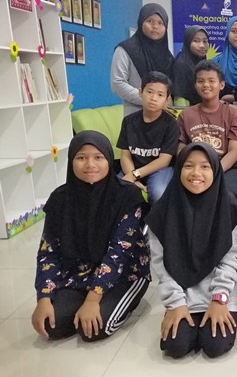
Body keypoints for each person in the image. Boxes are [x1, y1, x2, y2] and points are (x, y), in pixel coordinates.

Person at [31, 131, 150, 342]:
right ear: (71, 161)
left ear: (108, 159)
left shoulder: (127, 195)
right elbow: (48, 252)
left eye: (98, 157)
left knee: (95, 329)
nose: (90, 164)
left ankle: (121, 302)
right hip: (78, 272)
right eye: (81, 157)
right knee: (51, 326)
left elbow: (119, 253)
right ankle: (81, 303)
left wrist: (93, 299)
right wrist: (44, 296)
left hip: (125, 274)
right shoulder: (60, 199)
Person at [147, 143, 237, 358]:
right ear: (179, 169)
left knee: (215, 345)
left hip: (220, 292)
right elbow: (160, 262)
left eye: (204, 166)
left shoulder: (229, 207)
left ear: (216, 170)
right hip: (182, 294)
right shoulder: (163, 211)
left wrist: (219, 299)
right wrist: (175, 303)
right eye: (188, 166)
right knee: (176, 346)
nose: (196, 173)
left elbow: (232, 258)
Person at [178, 60, 237, 202]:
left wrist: (212, 172)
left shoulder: (233, 113)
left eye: (211, 81)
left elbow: (234, 152)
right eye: (200, 81)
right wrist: (192, 169)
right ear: (195, 85)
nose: (206, 85)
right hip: (194, 167)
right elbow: (181, 148)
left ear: (221, 85)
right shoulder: (186, 115)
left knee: (233, 195)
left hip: (224, 167)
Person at [117, 71, 179, 204]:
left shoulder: (171, 124)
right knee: (117, 190)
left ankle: (154, 218)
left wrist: (135, 175)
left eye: (160, 94)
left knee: (158, 193)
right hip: (133, 168)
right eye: (149, 92)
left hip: (160, 170)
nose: (154, 98)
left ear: (167, 99)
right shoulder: (128, 121)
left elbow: (164, 160)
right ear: (141, 92)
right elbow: (125, 155)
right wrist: (132, 177)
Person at [111, 3, 174, 116]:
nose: (155, 26)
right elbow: (117, 83)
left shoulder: (168, 57)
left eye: (160, 23)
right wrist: (148, 99)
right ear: (141, 22)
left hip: (165, 117)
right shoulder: (126, 49)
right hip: (136, 115)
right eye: (150, 21)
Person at [172, 25, 210, 106]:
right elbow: (179, 96)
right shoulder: (181, 64)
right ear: (188, 42)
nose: (202, 45)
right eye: (196, 41)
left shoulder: (203, 63)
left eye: (205, 41)